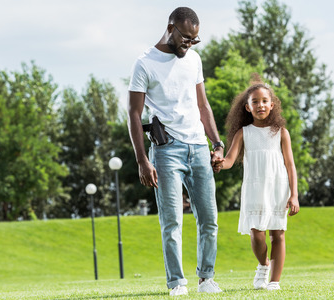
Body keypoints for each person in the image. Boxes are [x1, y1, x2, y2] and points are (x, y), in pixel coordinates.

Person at [127, 7, 224, 296]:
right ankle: (177, 283)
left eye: (195, 40)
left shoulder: (193, 59)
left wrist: (216, 144)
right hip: (167, 150)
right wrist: (142, 160)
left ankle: (206, 279)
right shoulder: (144, 63)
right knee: (172, 221)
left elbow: (203, 106)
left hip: (198, 147)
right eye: (185, 38)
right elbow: (134, 113)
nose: (189, 44)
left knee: (209, 218)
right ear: (171, 28)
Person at [213, 75, 300, 291]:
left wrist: (294, 194)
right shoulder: (243, 133)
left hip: (278, 187)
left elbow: (290, 165)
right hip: (254, 187)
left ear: (272, 104)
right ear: (247, 107)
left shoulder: (281, 133)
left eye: (264, 101)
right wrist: (217, 163)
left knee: (277, 233)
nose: (260, 105)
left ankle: (274, 281)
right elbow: (230, 161)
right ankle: (263, 265)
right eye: (255, 102)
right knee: (256, 232)